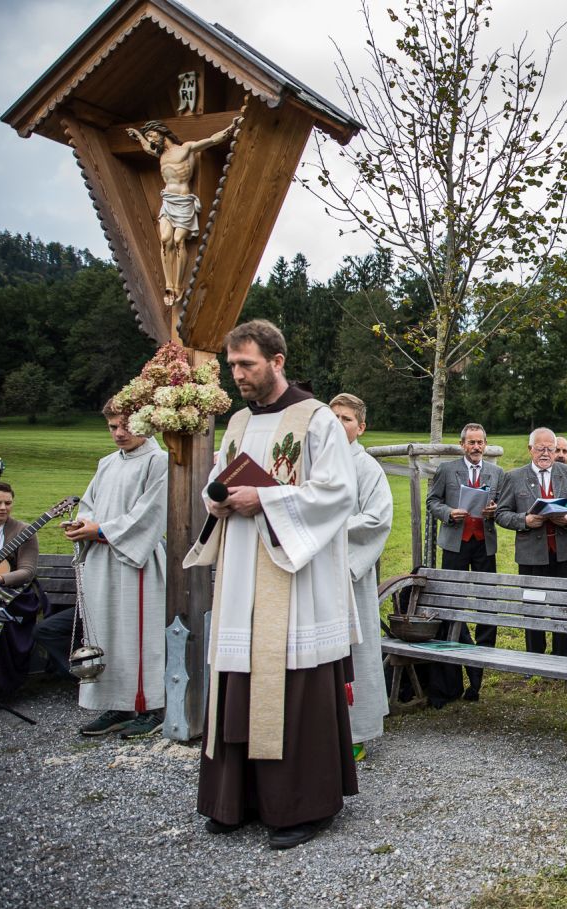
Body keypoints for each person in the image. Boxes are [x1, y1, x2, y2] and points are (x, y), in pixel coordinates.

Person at [187, 319, 358, 850]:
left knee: (291, 677)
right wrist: (215, 500)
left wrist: (263, 499)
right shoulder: (236, 422)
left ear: (277, 361)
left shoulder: (316, 419)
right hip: (241, 571)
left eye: (247, 365)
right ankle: (237, 800)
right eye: (232, 365)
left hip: (294, 577)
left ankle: (302, 805)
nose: (236, 374)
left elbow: (336, 493)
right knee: (238, 672)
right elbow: (220, 478)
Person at [61, 401, 168, 738]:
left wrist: (101, 530)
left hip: (138, 559)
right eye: (112, 427)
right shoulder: (106, 463)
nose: (119, 434)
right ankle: (118, 704)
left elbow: (150, 513)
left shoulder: (159, 461)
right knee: (106, 631)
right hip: (102, 560)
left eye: (126, 426)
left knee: (140, 633)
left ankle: (152, 706)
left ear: (145, 424)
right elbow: (89, 506)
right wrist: (80, 525)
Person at [329, 393, 393, 761]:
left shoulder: (367, 468)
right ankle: (322, 726)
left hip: (348, 574)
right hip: (315, 576)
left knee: (355, 652)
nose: (339, 423)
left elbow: (378, 519)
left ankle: (356, 731)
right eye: (333, 416)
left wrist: (331, 533)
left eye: (347, 419)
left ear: (361, 427)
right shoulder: (316, 464)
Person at [123, 117, 241, 305]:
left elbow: (212, 140)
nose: (152, 140)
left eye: (153, 135)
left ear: (162, 134)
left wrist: (232, 127)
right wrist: (138, 136)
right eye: (149, 137)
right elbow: (146, 147)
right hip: (168, 201)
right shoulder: (160, 154)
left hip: (184, 201)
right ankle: (169, 285)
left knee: (179, 241)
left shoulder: (185, 148)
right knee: (165, 240)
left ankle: (178, 286)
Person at [424, 422, 503, 702]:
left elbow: (502, 507)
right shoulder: (447, 470)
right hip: (456, 543)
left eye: (480, 442)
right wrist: (448, 513)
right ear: (462, 445)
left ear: (485, 444)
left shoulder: (496, 473)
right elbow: (432, 502)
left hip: (484, 544)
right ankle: (456, 651)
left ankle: (483, 657)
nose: (476, 447)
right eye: (471, 442)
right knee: (452, 599)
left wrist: (494, 511)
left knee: (486, 598)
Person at [495, 427, 567, 656]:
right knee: (532, 603)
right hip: (531, 553)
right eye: (540, 448)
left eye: (550, 449)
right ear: (530, 449)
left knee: (562, 604)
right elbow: (501, 513)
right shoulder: (514, 477)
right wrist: (524, 520)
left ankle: (562, 653)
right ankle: (534, 653)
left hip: (564, 552)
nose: (545, 453)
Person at [0, 481, 47, 696]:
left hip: (17, 594)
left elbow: (27, 571)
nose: (3, 507)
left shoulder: (24, 531)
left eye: (8, 502)